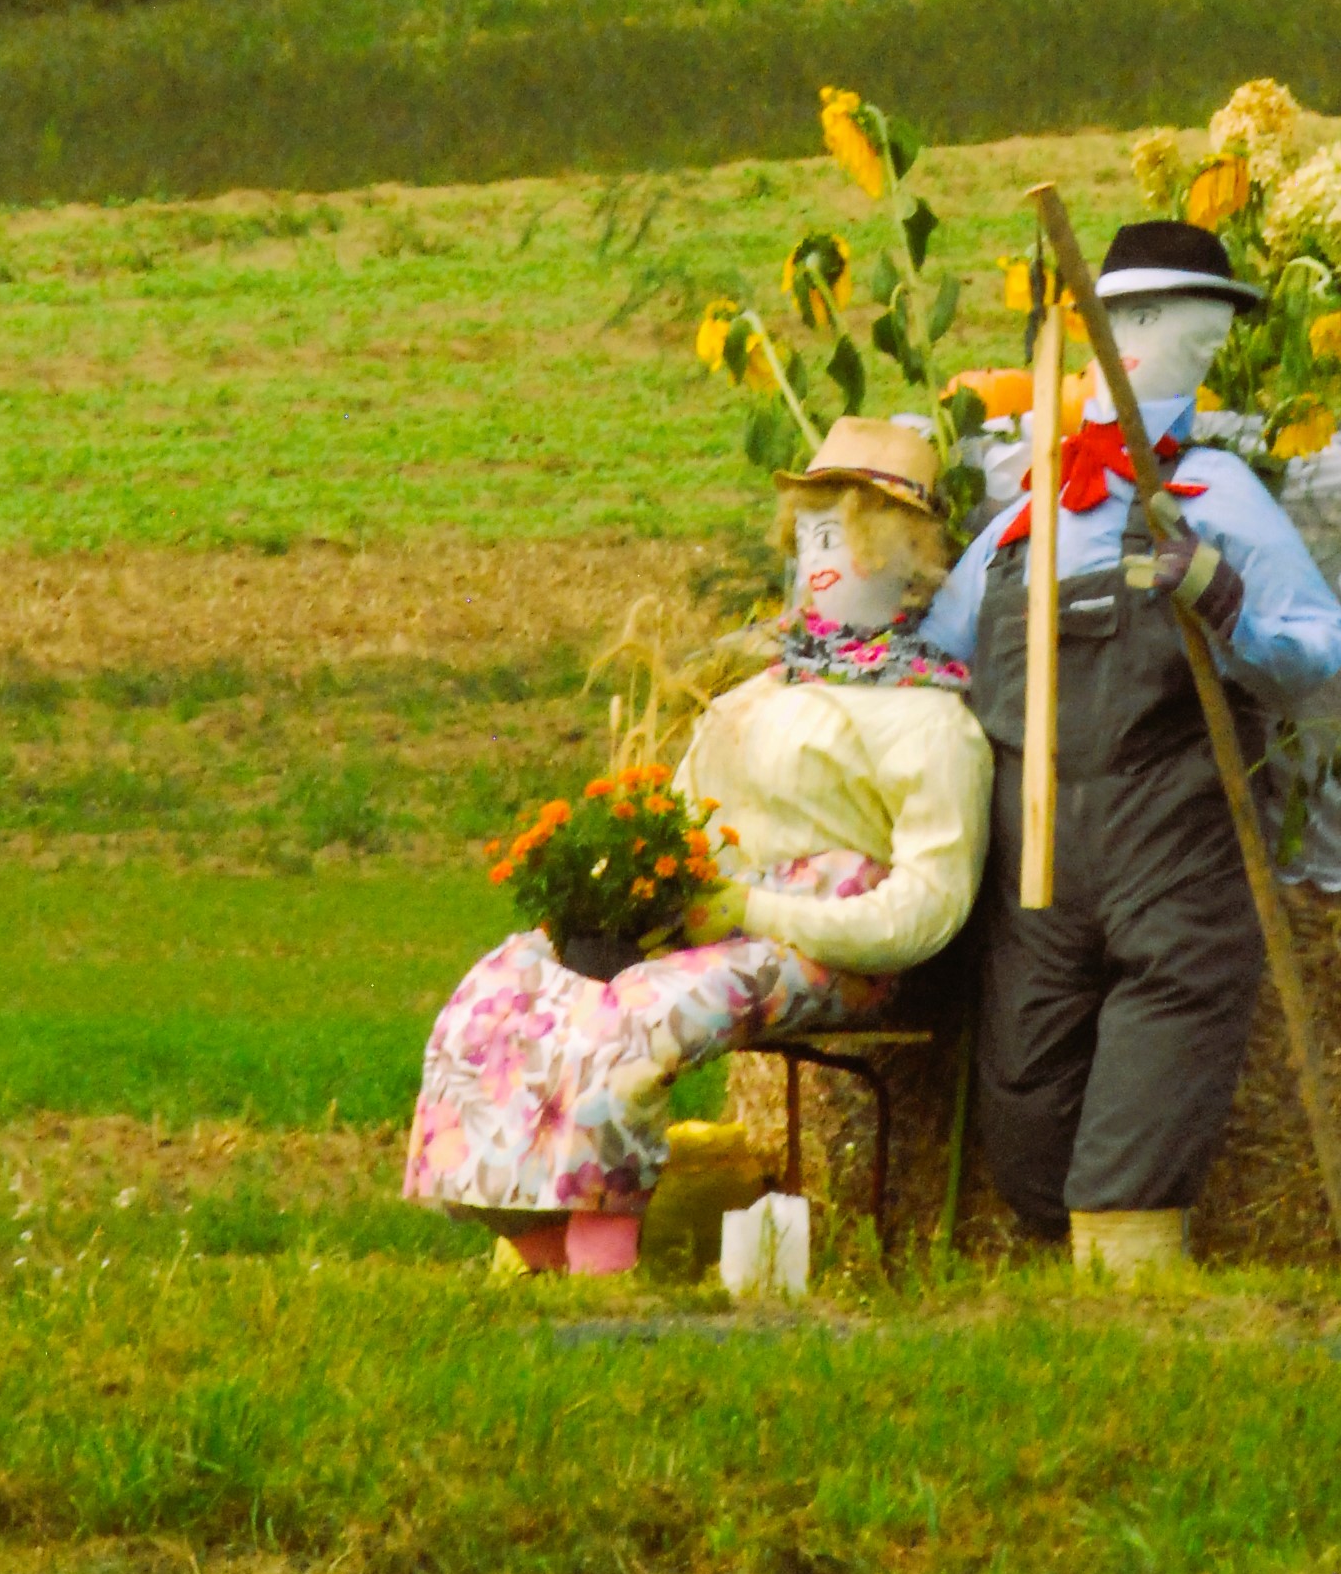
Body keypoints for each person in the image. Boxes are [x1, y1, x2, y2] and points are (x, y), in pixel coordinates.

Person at [403, 417, 991, 1274]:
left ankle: (602, 1266)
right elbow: (685, 815)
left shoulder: (930, 721)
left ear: (909, 558)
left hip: (825, 945)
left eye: (847, 535)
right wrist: (630, 894)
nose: (820, 560)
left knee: (631, 1021)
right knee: (508, 992)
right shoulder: (759, 688)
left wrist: (755, 907)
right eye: (810, 535)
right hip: (712, 919)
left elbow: (927, 909)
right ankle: (532, 1248)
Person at [921, 218, 1341, 1272]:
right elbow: (937, 663)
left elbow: (1318, 647)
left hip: (1171, 835)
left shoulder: (1215, 495)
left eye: (1215, 335)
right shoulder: (1027, 513)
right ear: (1124, 327)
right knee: (1024, 1116)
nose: (1204, 348)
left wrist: (1222, 597)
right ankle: (1051, 1282)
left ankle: (1135, 1303)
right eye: (1187, 328)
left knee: (1144, 1114)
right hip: (1032, 860)